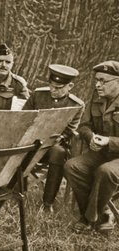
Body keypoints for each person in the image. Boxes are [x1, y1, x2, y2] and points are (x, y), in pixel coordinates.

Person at [64, 60, 119, 233]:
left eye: (103, 81)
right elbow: (84, 126)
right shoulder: (97, 98)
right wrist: (91, 137)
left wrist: (109, 141)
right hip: (102, 154)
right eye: (97, 80)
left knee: (106, 171)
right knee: (72, 166)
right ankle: (103, 213)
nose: (98, 84)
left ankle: (88, 219)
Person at [23, 64, 84, 213]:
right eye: (51, 85)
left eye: (58, 87)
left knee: (59, 152)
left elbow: (71, 129)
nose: (53, 90)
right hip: (30, 142)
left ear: (70, 86)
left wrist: (61, 137)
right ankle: (17, 188)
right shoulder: (38, 95)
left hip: (51, 146)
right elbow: (24, 117)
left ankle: (48, 202)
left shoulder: (76, 105)